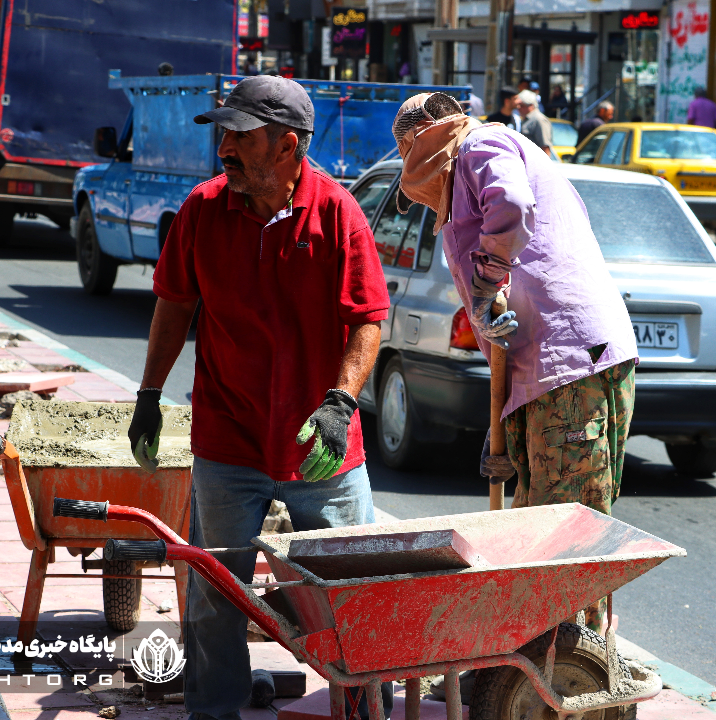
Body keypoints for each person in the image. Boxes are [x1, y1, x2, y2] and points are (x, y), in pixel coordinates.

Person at [128, 75, 391, 720]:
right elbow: (174, 305)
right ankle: (213, 711)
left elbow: (368, 319)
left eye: (242, 135)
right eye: (225, 133)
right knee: (217, 588)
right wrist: (149, 392)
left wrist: (340, 403)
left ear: (288, 145)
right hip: (228, 436)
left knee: (347, 592)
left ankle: (361, 710)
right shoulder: (202, 210)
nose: (226, 148)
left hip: (319, 448)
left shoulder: (337, 214)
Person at [389, 92, 637, 632]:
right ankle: (536, 649)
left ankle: (567, 659)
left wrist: (487, 277)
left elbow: (512, 208)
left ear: (421, 142)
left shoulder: (482, 144)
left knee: (563, 530)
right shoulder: (474, 161)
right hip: (545, 370)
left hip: (572, 361)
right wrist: (504, 423)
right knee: (537, 520)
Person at [516, 90, 554, 156]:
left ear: (531, 105)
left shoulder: (539, 120)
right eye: (518, 105)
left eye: (522, 105)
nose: (518, 108)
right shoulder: (525, 119)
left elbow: (545, 148)